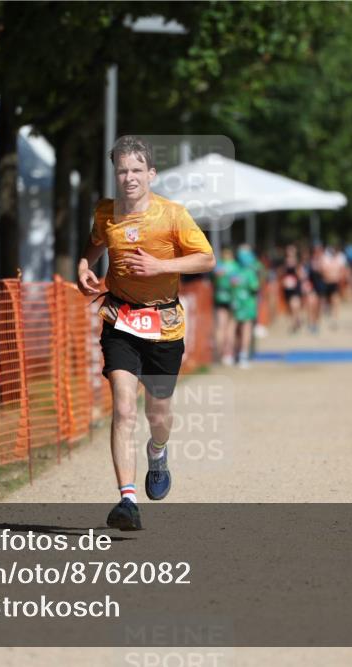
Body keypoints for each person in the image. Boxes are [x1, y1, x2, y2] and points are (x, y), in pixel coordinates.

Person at [77, 136, 215, 530]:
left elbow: (207, 258)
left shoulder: (172, 215)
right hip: (120, 319)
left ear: (151, 174)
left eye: (137, 170)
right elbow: (95, 242)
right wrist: (84, 265)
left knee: (158, 414)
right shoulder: (106, 212)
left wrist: (160, 267)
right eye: (122, 170)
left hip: (164, 324)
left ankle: (158, 451)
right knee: (123, 408)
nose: (129, 177)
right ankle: (127, 501)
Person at [231, 244, 261, 369]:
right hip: (248, 304)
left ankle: (233, 354)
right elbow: (255, 287)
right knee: (246, 330)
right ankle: (243, 356)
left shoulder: (234, 270)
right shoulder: (250, 272)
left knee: (236, 330)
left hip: (235, 303)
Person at [213, 247, 239, 364]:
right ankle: (228, 354)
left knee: (220, 327)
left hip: (220, 298)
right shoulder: (236, 267)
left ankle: (219, 354)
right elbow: (236, 283)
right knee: (230, 328)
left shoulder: (219, 265)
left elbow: (214, 280)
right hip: (232, 299)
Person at [279, 244, 307, 333]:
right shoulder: (284, 263)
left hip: (296, 287)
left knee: (294, 305)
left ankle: (295, 323)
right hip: (287, 288)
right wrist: (284, 280)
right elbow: (281, 274)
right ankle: (296, 320)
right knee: (291, 307)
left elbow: (302, 275)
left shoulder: (298, 263)